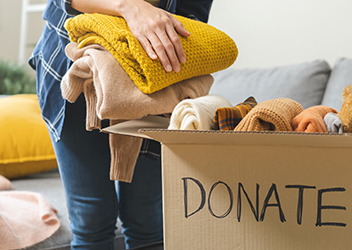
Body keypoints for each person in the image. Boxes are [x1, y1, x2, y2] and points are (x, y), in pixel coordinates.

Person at [28, 0, 213, 249]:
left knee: (147, 218)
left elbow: (193, 17)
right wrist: (130, 7)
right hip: (74, 60)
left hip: (156, 77)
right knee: (91, 217)